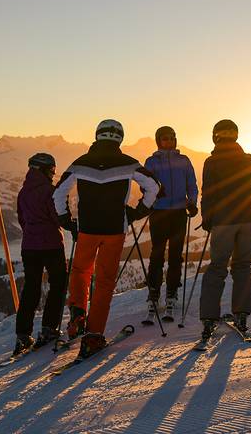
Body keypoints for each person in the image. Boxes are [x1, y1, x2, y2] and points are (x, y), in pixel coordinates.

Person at [53, 119, 162, 359]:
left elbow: (58, 192)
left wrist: (66, 220)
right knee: (104, 281)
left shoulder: (80, 163)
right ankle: (93, 336)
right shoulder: (128, 163)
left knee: (81, 271)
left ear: (97, 136)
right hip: (115, 229)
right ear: (119, 138)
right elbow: (154, 187)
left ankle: (78, 313)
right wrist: (137, 211)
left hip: (87, 229)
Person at [198, 119, 251, 345]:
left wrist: (207, 219)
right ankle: (241, 317)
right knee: (242, 266)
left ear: (216, 137)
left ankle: (209, 320)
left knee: (217, 268)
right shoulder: (247, 159)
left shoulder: (211, 162)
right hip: (248, 220)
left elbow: (208, 193)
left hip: (223, 222)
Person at [13, 152, 66, 357]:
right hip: (52, 245)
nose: (53, 173)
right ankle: (49, 328)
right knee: (58, 284)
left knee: (31, 288)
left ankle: (23, 334)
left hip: (30, 247)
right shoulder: (50, 192)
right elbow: (57, 217)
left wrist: (33, 233)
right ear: (44, 169)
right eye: (52, 169)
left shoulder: (23, 193)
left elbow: (22, 220)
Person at [143, 126, 198, 318]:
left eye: (171, 138)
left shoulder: (184, 161)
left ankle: (172, 291)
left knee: (175, 255)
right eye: (164, 138)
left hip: (178, 213)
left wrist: (192, 202)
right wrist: (151, 198)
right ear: (159, 141)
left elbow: (192, 184)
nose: (168, 141)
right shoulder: (152, 162)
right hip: (159, 212)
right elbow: (145, 184)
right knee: (157, 254)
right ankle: (154, 292)